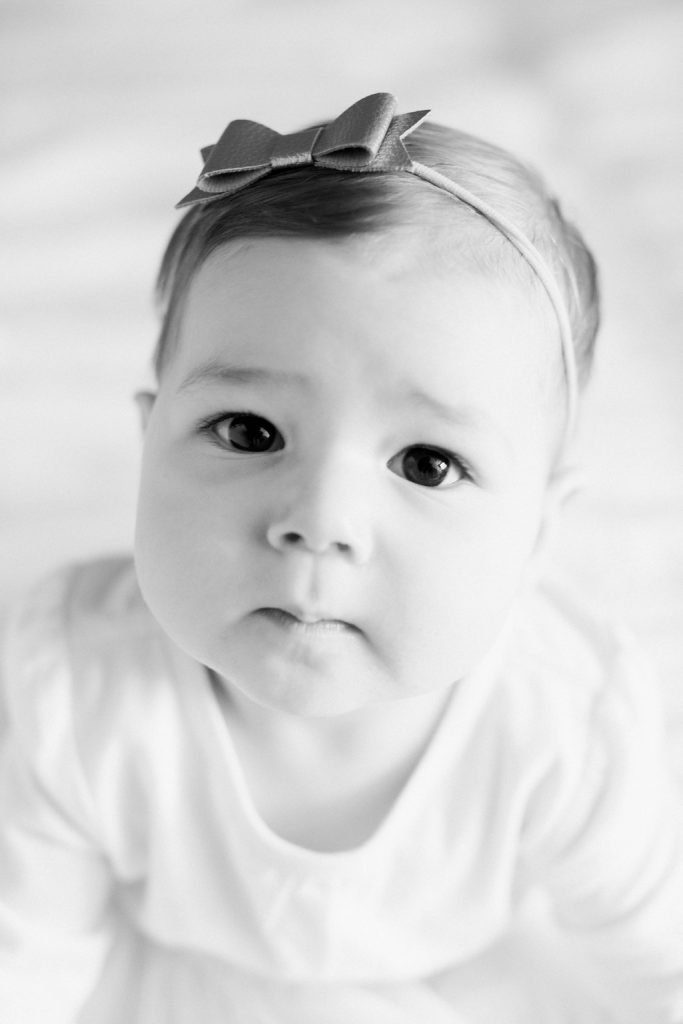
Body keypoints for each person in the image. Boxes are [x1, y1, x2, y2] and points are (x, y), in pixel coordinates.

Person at [1, 92, 681, 1024]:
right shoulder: (68, 691)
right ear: (147, 438)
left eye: (426, 463)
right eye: (247, 430)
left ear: (538, 529)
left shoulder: (570, 731)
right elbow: (23, 962)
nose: (318, 522)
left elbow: (662, 971)